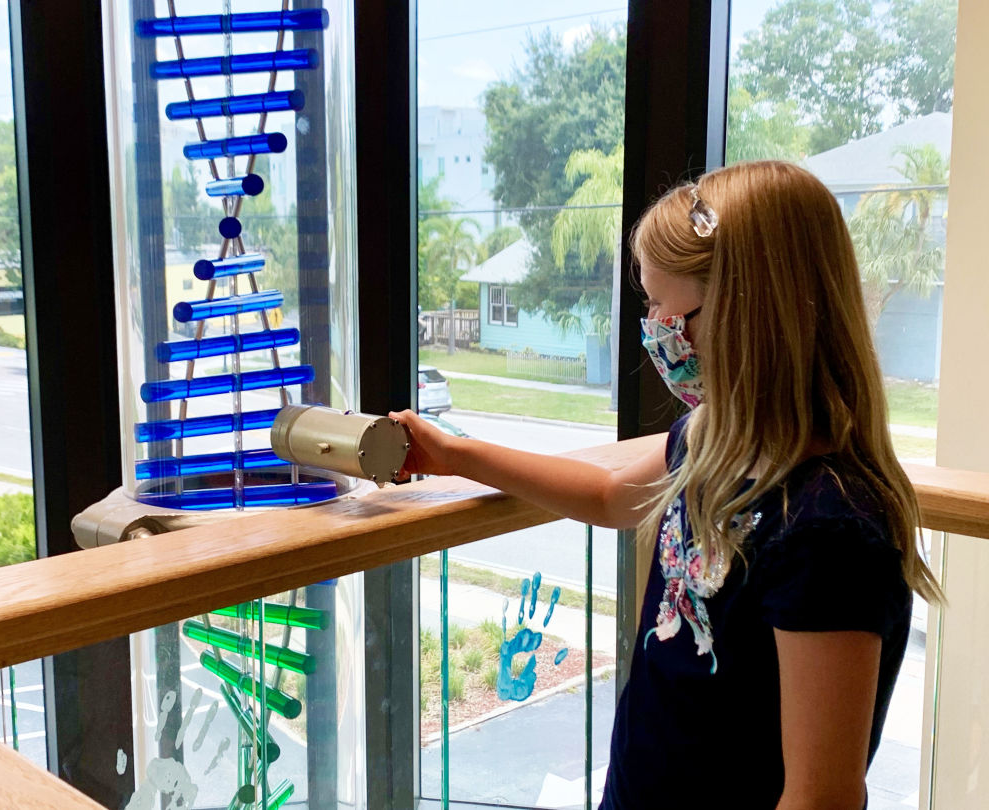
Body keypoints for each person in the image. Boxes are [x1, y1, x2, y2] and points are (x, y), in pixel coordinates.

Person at [391, 160, 943, 810]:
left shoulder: (828, 530)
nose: (652, 325)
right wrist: (455, 455)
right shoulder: (716, 438)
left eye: (660, 305)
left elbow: (822, 794)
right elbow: (607, 494)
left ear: (746, 313)